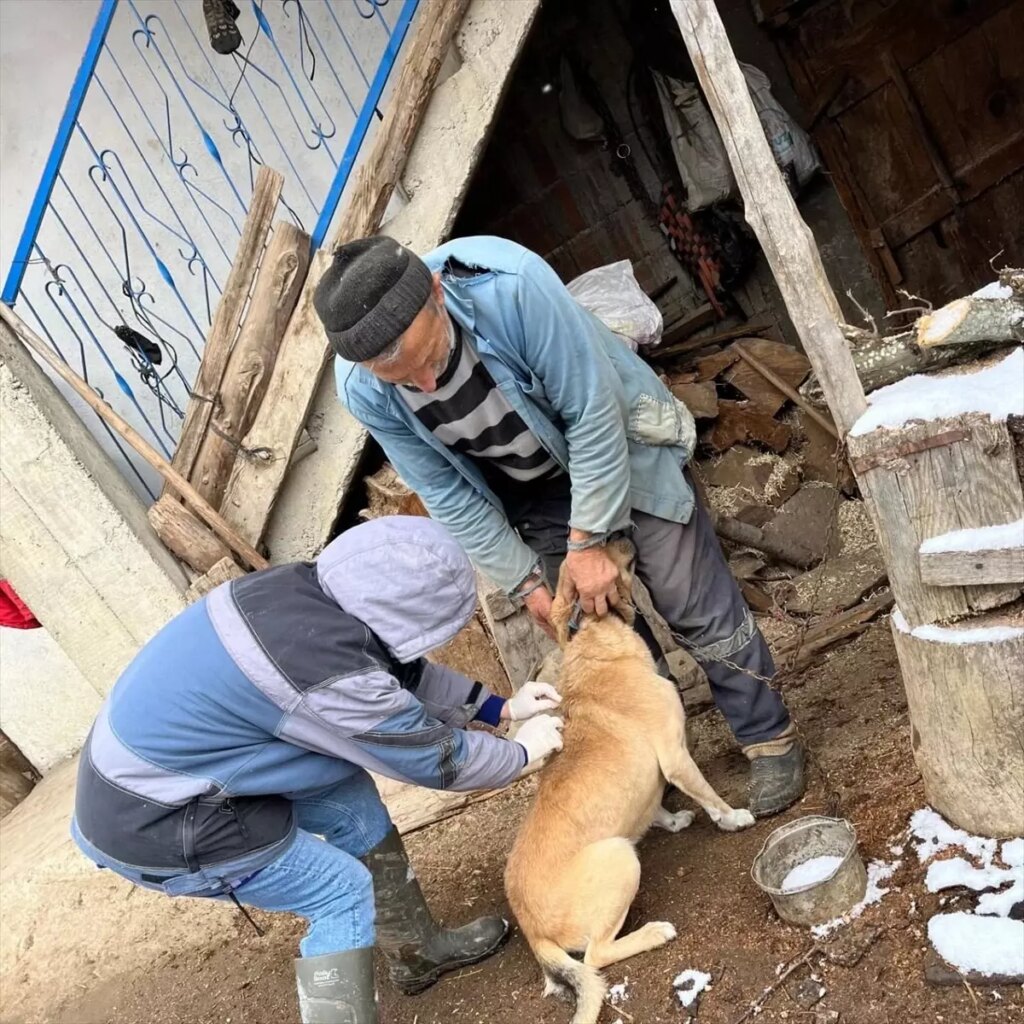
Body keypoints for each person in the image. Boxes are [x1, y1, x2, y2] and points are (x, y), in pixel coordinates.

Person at [315, 235, 806, 819]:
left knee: (691, 598)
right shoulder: (364, 389)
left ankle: (768, 736)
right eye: (401, 378)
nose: (425, 386)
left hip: (616, 444)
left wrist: (591, 540)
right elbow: (446, 492)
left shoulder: (513, 288)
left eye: (428, 358)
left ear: (438, 295)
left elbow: (593, 412)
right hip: (532, 488)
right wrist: (526, 586)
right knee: (594, 628)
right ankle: (652, 762)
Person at [71, 516, 564, 1024]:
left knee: (347, 794)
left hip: (163, 773)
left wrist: (499, 710)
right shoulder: (325, 669)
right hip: (153, 821)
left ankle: (418, 953)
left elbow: (397, 671)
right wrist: (521, 755)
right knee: (342, 892)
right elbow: (433, 758)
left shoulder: (311, 593)